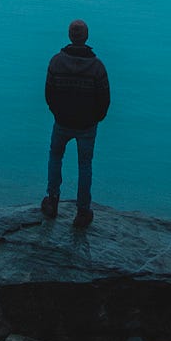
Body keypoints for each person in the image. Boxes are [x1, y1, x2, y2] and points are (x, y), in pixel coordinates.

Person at [41, 18, 110, 228]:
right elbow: (104, 99)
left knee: (55, 157)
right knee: (85, 165)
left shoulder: (55, 62)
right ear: (86, 37)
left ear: (70, 36)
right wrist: (94, 119)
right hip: (87, 125)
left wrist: (58, 113)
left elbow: (49, 94)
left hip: (62, 122)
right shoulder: (97, 67)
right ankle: (82, 211)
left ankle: (52, 200)